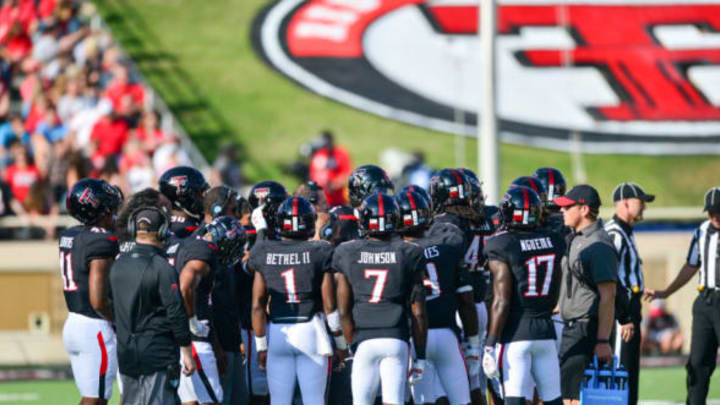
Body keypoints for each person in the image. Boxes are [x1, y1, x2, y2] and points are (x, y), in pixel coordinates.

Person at [334, 193, 428, 405]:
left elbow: (343, 310)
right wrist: (420, 355)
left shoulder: (348, 252)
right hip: (396, 337)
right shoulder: (408, 253)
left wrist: (351, 344)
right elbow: (418, 312)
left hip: (363, 338)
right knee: (393, 401)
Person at [249, 196, 343, 405]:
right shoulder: (320, 250)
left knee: (279, 401)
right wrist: (340, 342)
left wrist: (261, 346)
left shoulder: (264, 250)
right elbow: (329, 304)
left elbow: (257, 305)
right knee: (313, 400)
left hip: (278, 333)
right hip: (309, 329)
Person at [482, 186, 565, 405]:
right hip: (545, 332)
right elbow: (556, 286)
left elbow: (501, 300)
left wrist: (490, 344)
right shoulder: (554, 240)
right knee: (553, 399)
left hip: (515, 334)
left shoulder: (501, 244)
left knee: (514, 400)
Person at [396, 190, 479, 405]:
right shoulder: (448, 246)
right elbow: (466, 300)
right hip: (446, 334)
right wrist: (473, 342)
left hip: (415, 336)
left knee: (425, 401)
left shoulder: (399, 254)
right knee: (462, 400)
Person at [110, 207, 196, 405]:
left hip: (126, 353)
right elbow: (176, 312)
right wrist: (186, 352)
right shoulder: (161, 267)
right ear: (163, 231)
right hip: (157, 355)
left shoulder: (118, 264)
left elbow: (109, 304)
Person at [644, 186, 720, 405]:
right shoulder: (702, 231)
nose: (715, 215)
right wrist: (666, 292)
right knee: (697, 364)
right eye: (711, 211)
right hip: (705, 301)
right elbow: (691, 266)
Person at [430, 168, 495, 405]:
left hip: (458, 306)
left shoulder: (444, 225)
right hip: (482, 303)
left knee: (447, 381)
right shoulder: (485, 219)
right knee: (476, 379)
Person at [552, 185, 618, 405]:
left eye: (568, 207)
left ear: (584, 209)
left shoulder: (598, 244)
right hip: (573, 326)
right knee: (567, 394)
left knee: (575, 398)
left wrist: (602, 340)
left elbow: (608, 295)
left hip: (587, 328)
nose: (562, 211)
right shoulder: (577, 237)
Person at [60, 178, 122, 405]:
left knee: (91, 396)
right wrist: (119, 321)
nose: (114, 213)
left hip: (74, 323)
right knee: (96, 399)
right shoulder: (101, 241)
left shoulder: (70, 234)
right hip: (95, 325)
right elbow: (98, 300)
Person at [176, 216, 246, 405]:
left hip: (182, 337)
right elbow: (185, 287)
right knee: (212, 400)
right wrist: (192, 323)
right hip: (195, 341)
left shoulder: (191, 244)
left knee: (191, 401)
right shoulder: (204, 254)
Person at [604, 182, 655, 405]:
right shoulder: (614, 233)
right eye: (639, 202)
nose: (643, 206)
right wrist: (622, 316)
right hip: (620, 311)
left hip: (631, 305)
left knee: (630, 369)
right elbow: (610, 278)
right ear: (624, 203)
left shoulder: (626, 230)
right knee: (620, 370)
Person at [159, 166, 209, 239]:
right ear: (184, 197)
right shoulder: (188, 230)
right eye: (199, 192)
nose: (203, 197)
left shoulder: (162, 224)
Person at [309, 130, 353, 207]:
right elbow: (313, 175)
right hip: (320, 201)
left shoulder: (340, 153)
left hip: (338, 201)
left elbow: (348, 174)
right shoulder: (318, 154)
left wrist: (334, 184)